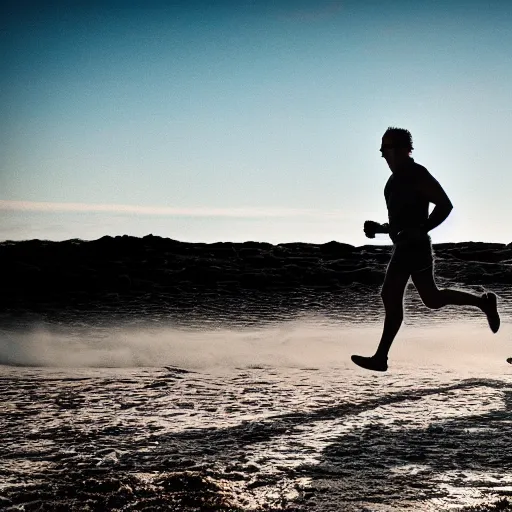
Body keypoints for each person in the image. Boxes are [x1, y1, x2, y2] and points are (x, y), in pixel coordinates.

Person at [351, 127, 500, 372]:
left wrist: (422, 229)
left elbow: (444, 204)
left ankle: (381, 358)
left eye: (385, 148)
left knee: (390, 294)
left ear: (400, 149)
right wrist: (378, 228)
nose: (381, 154)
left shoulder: (416, 173)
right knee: (431, 298)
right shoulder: (393, 180)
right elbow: (402, 222)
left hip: (413, 248)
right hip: (408, 246)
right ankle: (483, 303)